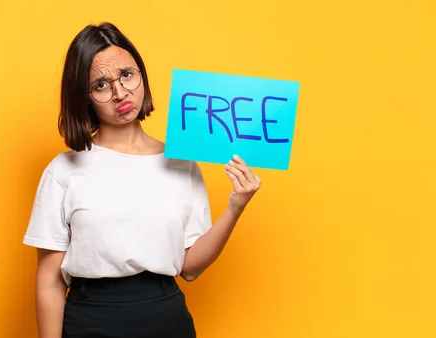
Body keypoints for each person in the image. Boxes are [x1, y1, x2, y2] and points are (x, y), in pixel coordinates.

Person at [22, 22, 262, 338]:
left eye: (126, 75)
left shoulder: (181, 163)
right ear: (85, 96)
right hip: (89, 322)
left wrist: (236, 206)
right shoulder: (63, 171)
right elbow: (50, 281)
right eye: (101, 85)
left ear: (142, 75)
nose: (120, 92)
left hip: (167, 320)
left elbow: (190, 267)